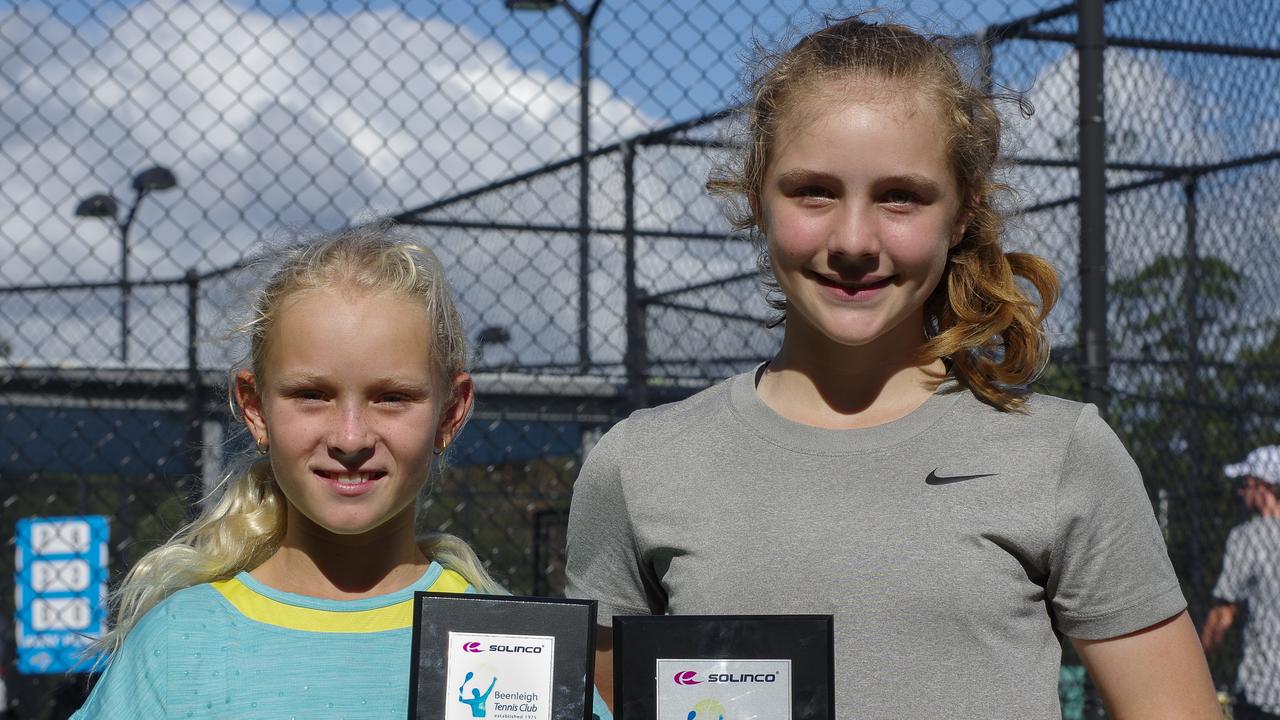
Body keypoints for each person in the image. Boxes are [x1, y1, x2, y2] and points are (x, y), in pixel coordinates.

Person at [565, 15, 1220, 719]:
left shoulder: (1063, 454)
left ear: (964, 211)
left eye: (900, 196)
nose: (853, 240)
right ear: (757, 197)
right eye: (812, 190)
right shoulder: (639, 464)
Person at [73, 225, 501, 718]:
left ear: (450, 412)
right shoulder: (174, 648)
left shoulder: (515, 645)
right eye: (311, 395)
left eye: (392, 398)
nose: (350, 437)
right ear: (255, 409)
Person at [1202, 445, 1280, 719]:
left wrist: (1196, 663)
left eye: (1246, 484)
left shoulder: (1247, 537)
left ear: (1263, 486)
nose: (1241, 491)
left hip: (1263, 693)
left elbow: (1224, 614)